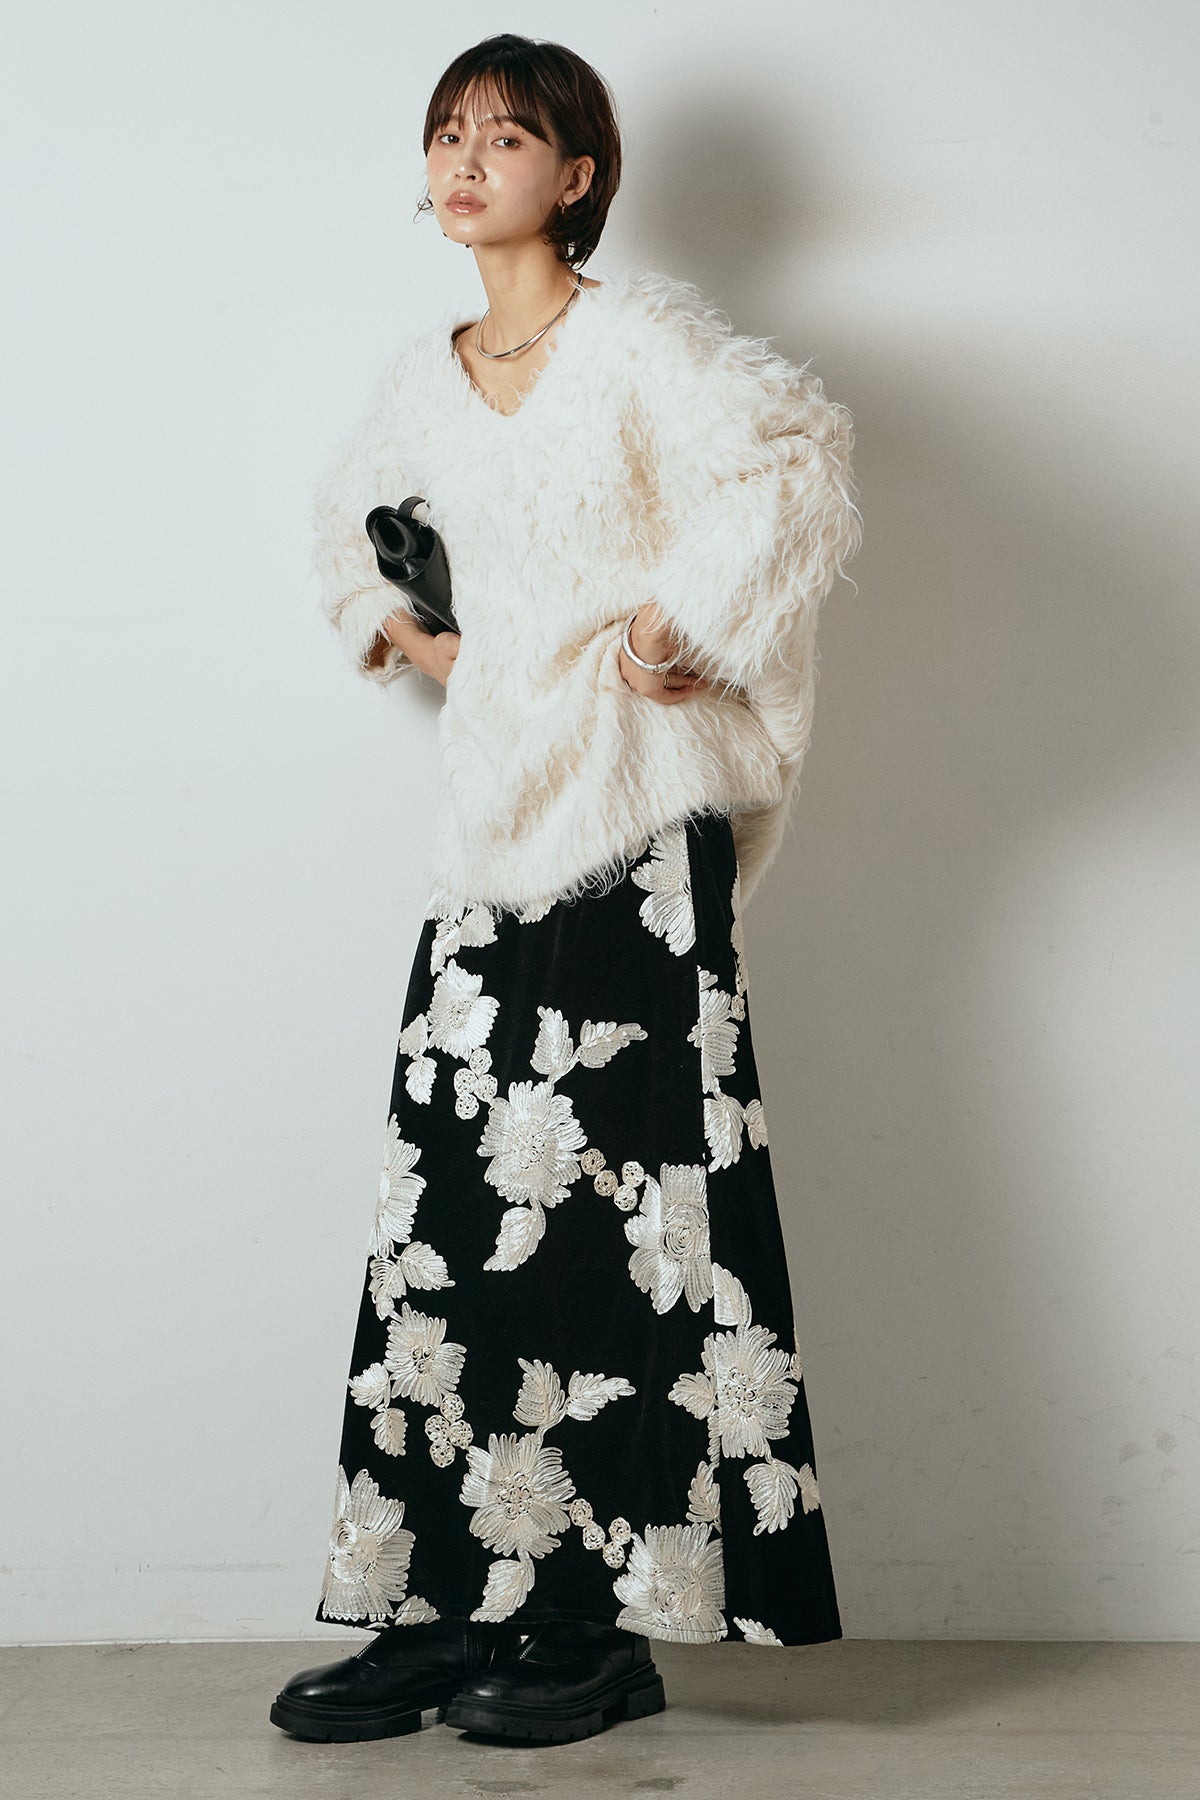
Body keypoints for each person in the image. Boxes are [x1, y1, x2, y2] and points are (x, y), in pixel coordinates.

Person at [270, 31, 862, 1750]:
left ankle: (594, 1627)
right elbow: (343, 530)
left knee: (617, 1223)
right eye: (447, 135)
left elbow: (797, 462)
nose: (466, 164)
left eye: (507, 138)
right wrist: (418, 640)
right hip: (490, 837)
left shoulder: (642, 341)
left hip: (634, 831)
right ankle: (441, 1602)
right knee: (452, 1216)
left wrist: (684, 628)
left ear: (578, 174)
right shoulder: (427, 373)